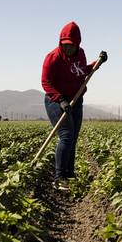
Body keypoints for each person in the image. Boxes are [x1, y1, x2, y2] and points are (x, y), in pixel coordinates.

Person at [41, 21, 106, 187]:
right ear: (60, 43)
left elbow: (82, 70)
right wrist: (60, 100)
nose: (68, 48)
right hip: (56, 100)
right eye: (65, 45)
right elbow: (45, 82)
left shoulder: (80, 53)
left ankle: (69, 174)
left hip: (76, 99)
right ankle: (59, 177)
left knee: (74, 137)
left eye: (71, 45)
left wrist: (97, 64)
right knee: (66, 136)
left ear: (78, 44)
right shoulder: (53, 57)